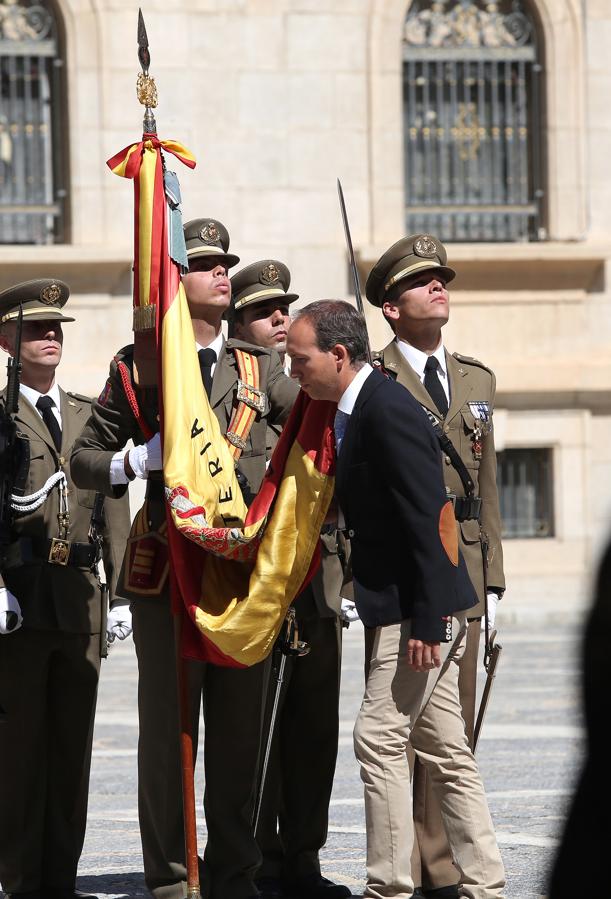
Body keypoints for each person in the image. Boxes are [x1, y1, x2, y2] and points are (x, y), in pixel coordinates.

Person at [70, 219, 299, 899]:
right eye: (204, 264)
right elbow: (84, 459)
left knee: (237, 734)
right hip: (166, 567)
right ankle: (172, 875)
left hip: (237, 572)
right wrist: (135, 457)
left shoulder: (259, 367)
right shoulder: (141, 364)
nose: (222, 272)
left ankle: (234, 872)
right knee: (169, 729)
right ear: (177, 280)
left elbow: (313, 414)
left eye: (225, 261)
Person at [286, 300, 506, 899]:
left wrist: (428, 622)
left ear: (337, 355)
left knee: (378, 737)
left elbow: (428, 517)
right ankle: (487, 883)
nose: (291, 370)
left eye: (299, 358)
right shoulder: (356, 408)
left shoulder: (386, 409)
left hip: (419, 611)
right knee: (443, 748)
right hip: (408, 605)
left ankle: (388, 887)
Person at [365, 234, 505, 899]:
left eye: (441, 278)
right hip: (410, 571)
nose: (438, 286)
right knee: (408, 727)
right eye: (421, 282)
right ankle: (427, 869)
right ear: (390, 308)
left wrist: (495, 579)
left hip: (466, 570)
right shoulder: (375, 380)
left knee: (454, 730)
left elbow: (488, 484)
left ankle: (443, 868)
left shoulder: (476, 377)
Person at [0, 278, 131, 899]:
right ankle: (22, 881)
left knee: (71, 749)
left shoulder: (85, 413)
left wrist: (124, 591)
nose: (50, 338)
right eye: (36, 329)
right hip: (21, 600)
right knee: (19, 749)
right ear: (7, 340)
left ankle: (61, 880)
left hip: (80, 598)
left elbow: (109, 503)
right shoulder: (1, 416)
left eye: (57, 329)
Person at [230, 261, 351, 899]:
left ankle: (303, 854)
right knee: (256, 729)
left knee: (313, 726)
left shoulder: (324, 395)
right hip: (258, 584)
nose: (279, 321)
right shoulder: (234, 392)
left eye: (286, 311)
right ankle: (256, 855)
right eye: (264, 313)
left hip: (318, 580)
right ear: (238, 327)